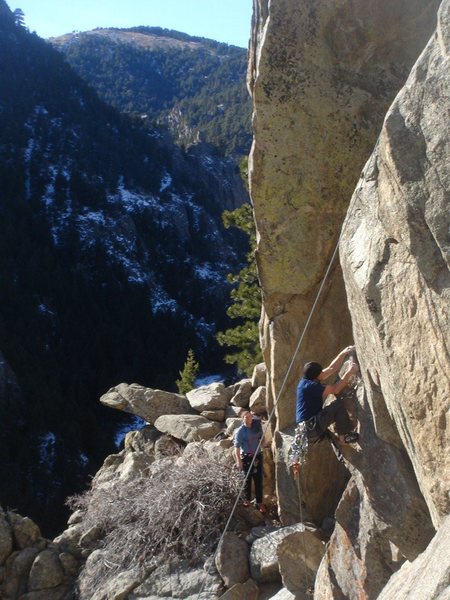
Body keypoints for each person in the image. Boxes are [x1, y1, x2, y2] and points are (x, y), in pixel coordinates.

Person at [296, 345, 359, 448]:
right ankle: (343, 438)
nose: (323, 373)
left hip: (307, 430)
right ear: (316, 376)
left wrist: (343, 353)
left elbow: (330, 369)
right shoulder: (311, 386)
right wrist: (350, 372)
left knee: (332, 408)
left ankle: (336, 436)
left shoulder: (307, 380)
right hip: (310, 428)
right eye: (321, 372)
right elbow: (335, 389)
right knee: (338, 405)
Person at [234, 411, 265, 513]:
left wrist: (263, 443)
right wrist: (239, 461)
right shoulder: (240, 431)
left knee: (258, 480)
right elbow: (237, 448)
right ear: (242, 419)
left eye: (250, 417)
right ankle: (247, 499)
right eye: (246, 417)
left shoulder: (256, 427)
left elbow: (261, 436)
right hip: (247, 457)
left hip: (257, 456)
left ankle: (259, 502)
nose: (248, 419)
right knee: (247, 479)